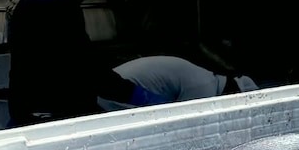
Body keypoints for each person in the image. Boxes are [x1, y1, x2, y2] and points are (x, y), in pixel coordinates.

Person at [7, 0, 171, 126]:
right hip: (49, 115)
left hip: (28, 109)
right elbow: (87, 67)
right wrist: (138, 96)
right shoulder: (56, 7)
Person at [97, 56, 258, 112]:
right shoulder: (203, 89)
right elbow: (187, 126)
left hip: (113, 85)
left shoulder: (205, 78)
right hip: (116, 92)